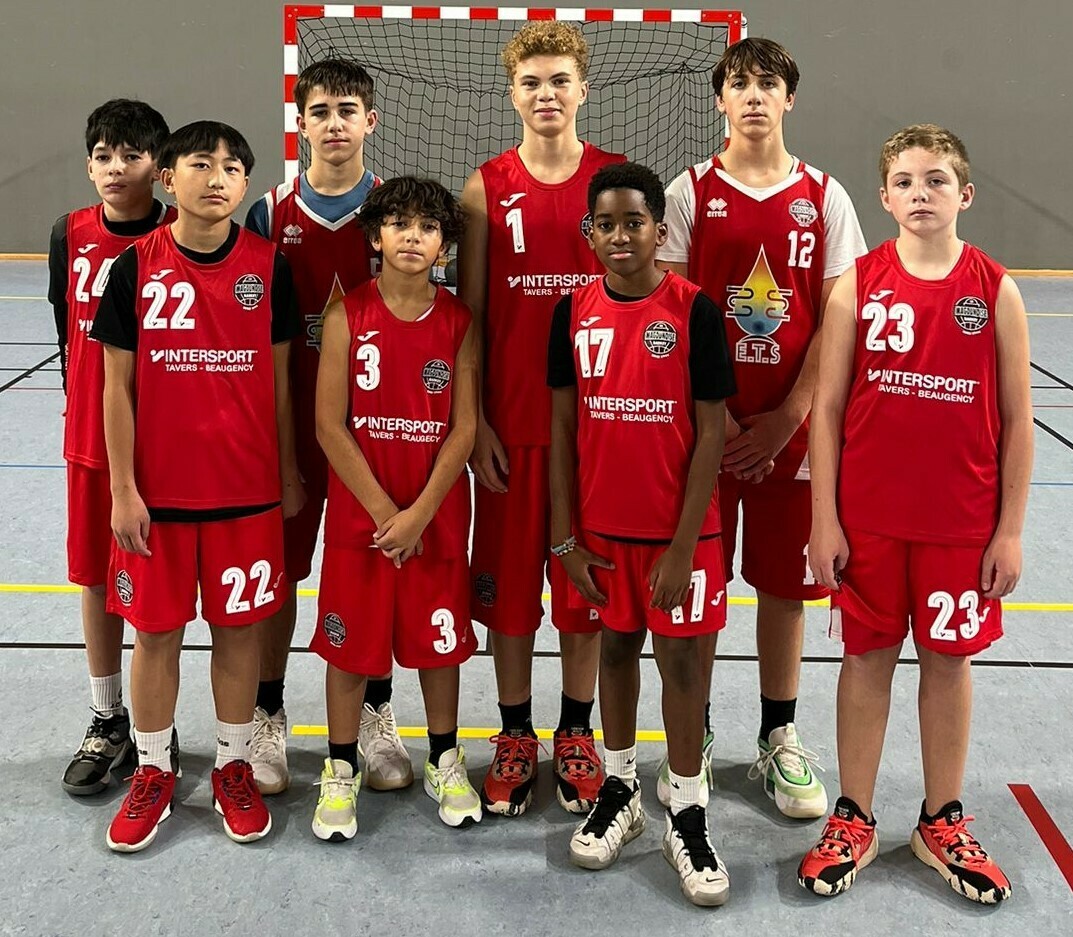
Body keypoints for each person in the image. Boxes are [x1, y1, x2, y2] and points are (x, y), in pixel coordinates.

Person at [797, 124, 1030, 904]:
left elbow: (1018, 420)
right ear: (884, 197)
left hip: (959, 524)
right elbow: (827, 409)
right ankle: (853, 816)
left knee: (946, 662)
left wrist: (1008, 529)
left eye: (935, 180)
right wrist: (823, 519)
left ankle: (940, 819)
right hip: (868, 519)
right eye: (904, 181)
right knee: (864, 660)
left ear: (964, 195)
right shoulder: (855, 284)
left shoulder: (994, 288)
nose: (919, 192)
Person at [657, 37, 866, 818]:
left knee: (784, 589)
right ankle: (697, 731)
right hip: (705, 432)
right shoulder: (687, 192)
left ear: (788, 99)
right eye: (738, 83)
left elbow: (838, 316)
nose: (752, 95)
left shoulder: (825, 196)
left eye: (766, 83)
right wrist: (718, 417)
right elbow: (672, 311)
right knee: (703, 591)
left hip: (793, 434)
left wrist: (788, 416)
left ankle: (778, 734)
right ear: (719, 100)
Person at [91, 121, 302, 852]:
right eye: (201, 164)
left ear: (246, 184)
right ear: (168, 178)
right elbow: (115, 389)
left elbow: (280, 383)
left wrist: (287, 473)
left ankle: (233, 765)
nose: (217, 178)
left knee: (239, 632)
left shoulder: (269, 266)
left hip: (246, 491)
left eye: (233, 167)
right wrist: (123, 489)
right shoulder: (134, 266)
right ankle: (153, 770)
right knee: (155, 634)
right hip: (160, 495)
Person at [549, 163, 736, 906]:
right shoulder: (571, 311)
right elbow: (562, 431)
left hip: (680, 536)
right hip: (602, 531)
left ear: (660, 230)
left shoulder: (695, 311)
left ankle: (685, 809)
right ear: (588, 233)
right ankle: (621, 787)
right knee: (616, 652)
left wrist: (684, 547)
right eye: (606, 224)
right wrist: (564, 540)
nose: (620, 235)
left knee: (683, 665)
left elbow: (713, 432)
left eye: (634, 222)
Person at [459, 20, 626, 817]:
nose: (546, 93)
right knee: (512, 599)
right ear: (513, 94)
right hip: (512, 429)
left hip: (596, 434)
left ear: (582, 90)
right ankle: (516, 731)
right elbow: (469, 318)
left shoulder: (614, 183)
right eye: (531, 82)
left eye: (559, 80)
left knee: (583, 593)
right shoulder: (484, 186)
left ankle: (576, 730)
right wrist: (474, 423)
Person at [245, 57, 406, 796]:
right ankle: (267, 713)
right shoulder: (267, 213)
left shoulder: (397, 210)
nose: (334, 123)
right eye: (320, 111)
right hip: (289, 434)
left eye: (348, 110)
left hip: (378, 434)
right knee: (277, 577)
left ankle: (376, 713)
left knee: (374, 574)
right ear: (300, 123)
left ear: (370, 120)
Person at [309, 176, 481, 839]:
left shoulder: (459, 321)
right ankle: (339, 767)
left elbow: (463, 429)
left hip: (435, 514)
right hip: (364, 518)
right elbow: (330, 426)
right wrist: (389, 514)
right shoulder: (346, 314)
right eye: (400, 223)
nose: (413, 236)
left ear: (444, 245)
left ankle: (444, 758)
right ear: (375, 237)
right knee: (350, 647)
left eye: (428, 227)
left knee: (439, 645)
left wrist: (420, 513)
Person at [48, 99, 172, 796]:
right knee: (96, 579)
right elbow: (65, 335)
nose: (116, 168)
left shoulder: (179, 235)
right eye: (103, 156)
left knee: (153, 591)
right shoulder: (69, 233)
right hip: (89, 444)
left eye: (131, 155)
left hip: (162, 444)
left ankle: (157, 721)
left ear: (159, 167)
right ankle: (107, 717)